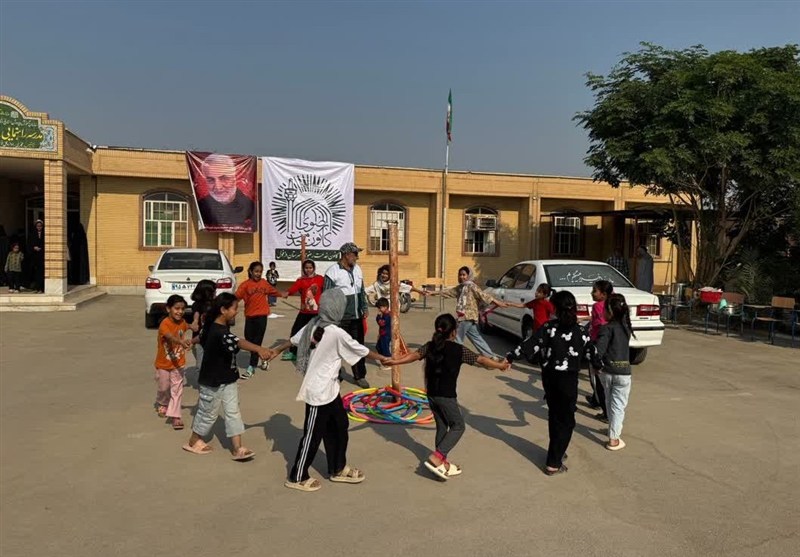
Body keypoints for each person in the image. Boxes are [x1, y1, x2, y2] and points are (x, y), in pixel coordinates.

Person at [267, 288, 389, 492]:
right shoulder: (334, 332)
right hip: (318, 392)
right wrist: (385, 358)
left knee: (340, 425)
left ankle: (337, 468)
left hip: (331, 389)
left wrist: (277, 349)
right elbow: (362, 350)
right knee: (312, 436)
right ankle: (297, 476)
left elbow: (293, 340)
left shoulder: (316, 324)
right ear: (338, 309)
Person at [385, 313, 510, 480]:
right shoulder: (458, 350)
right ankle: (438, 456)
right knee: (458, 426)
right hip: (446, 397)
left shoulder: (430, 346)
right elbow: (481, 359)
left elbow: (414, 356)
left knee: (442, 427)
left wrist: (395, 361)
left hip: (431, 394)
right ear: (453, 332)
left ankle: (441, 463)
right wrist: (500, 366)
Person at [506, 291, 596, 476]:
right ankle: (553, 462)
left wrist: (510, 357)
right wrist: (601, 366)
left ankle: (556, 452)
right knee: (567, 421)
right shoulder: (580, 331)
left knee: (555, 417)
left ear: (554, 308)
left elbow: (530, 344)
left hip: (550, 380)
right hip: (568, 381)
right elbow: (592, 354)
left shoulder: (548, 328)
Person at [183, 292, 270, 460]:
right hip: (212, 381)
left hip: (228, 378)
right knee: (207, 413)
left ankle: (237, 448)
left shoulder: (213, 327)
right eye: (234, 309)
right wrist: (259, 349)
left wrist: (190, 342)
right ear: (223, 310)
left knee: (233, 412)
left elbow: (200, 337)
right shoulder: (218, 331)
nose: (236, 312)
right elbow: (237, 341)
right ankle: (193, 442)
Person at [428, 266, 511, 359]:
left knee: (457, 338)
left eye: (464, 275)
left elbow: (484, 296)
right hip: (469, 318)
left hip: (466, 317)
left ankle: (452, 357)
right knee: (477, 338)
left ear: (468, 275)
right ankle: (491, 357)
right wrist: (432, 293)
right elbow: (448, 292)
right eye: (460, 275)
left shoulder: (472, 286)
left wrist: (498, 303)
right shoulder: (461, 287)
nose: (462, 277)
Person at [323, 242, 370, 388]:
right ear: (346, 255)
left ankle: (359, 375)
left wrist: (364, 306)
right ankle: (335, 374)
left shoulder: (358, 270)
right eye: (355, 254)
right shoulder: (332, 272)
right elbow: (327, 296)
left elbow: (361, 290)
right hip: (340, 318)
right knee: (336, 347)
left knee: (357, 347)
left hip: (356, 316)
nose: (357, 257)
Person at [594, 293, 635, 451]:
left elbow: (599, 350)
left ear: (609, 311)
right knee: (617, 406)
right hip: (623, 373)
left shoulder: (607, 328)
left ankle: (613, 432)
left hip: (607, 372)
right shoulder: (626, 327)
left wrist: (596, 365)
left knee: (611, 403)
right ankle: (614, 439)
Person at [235, 261, 282, 379]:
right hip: (250, 317)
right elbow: (236, 298)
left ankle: (251, 367)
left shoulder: (264, 283)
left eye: (260, 272)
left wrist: (285, 293)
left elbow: (274, 292)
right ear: (250, 272)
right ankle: (265, 357)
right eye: (256, 271)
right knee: (249, 341)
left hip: (261, 316)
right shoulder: (245, 285)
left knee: (256, 342)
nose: (258, 274)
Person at [154, 295, 192, 430]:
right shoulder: (164, 324)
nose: (180, 312)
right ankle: (162, 403)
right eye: (176, 309)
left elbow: (187, 326)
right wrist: (181, 341)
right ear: (168, 308)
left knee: (177, 389)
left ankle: (176, 416)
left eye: (182, 309)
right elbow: (170, 336)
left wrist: (194, 326)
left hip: (178, 363)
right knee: (164, 387)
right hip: (163, 364)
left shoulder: (182, 322)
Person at [281, 259, 324, 361]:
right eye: (306, 268)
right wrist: (284, 293)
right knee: (296, 331)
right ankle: (294, 353)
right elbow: (292, 290)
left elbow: (328, 290)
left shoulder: (321, 279)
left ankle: (317, 354)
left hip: (317, 313)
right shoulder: (301, 280)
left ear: (314, 268)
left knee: (317, 334)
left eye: (310, 268)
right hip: (304, 312)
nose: (308, 270)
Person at [196, 154, 255, 228]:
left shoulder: (250, 207)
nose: (218, 187)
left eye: (224, 178)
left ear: (235, 178)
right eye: (211, 180)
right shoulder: (200, 207)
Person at [586, 280, 613, 421]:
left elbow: (600, 323)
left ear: (603, 294)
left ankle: (605, 411)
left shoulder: (597, 305)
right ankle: (597, 401)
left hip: (597, 344)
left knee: (596, 379)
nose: (592, 292)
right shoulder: (611, 305)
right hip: (609, 345)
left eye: (595, 290)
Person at [188, 279, 216, 372]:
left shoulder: (215, 305)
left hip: (212, 337)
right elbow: (196, 314)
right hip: (199, 338)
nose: (215, 293)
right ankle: (203, 378)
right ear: (207, 293)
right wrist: (195, 322)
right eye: (213, 291)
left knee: (211, 361)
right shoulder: (197, 305)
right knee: (201, 362)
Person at [28, 219, 44, 293]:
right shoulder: (32, 234)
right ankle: (37, 288)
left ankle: (41, 288)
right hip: (34, 256)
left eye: (40, 226)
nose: (39, 227)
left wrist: (41, 248)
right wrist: (34, 247)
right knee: (36, 272)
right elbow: (29, 244)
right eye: (38, 226)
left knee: (41, 272)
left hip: (42, 256)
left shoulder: (45, 234)